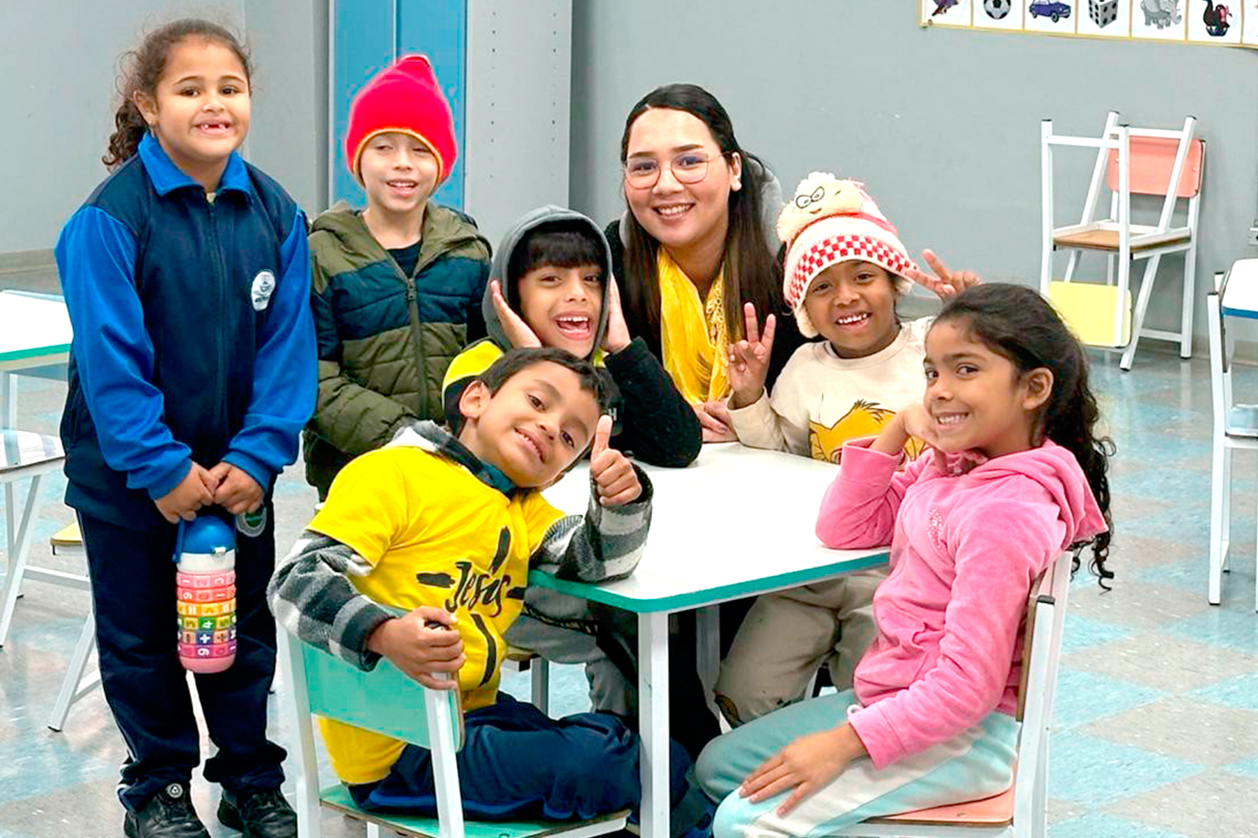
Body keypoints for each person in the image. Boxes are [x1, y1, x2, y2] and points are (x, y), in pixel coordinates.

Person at [697, 284, 1112, 838]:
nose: (940, 391)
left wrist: (841, 745)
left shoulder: (1004, 513)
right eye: (932, 373)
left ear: (1034, 388)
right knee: (718, 768)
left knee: (744, 823)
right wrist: (895, 430)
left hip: (962, 737)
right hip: (895, 702)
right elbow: (844, 528)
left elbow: (968, 688)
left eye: (965, 370)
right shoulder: (955, 468)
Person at [270, 349, 709, 835]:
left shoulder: (519, 507)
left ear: (561, 473)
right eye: (539, 402)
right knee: (615, 763)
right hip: (404, 751)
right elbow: (294, 580)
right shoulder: (392, 473)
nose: (548, 427)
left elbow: (599, 563)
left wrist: (619, 502)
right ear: (476, 398)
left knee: (655, 753)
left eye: (569, 437)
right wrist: (384, 633)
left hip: (474, 719)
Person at [55, 19, 314, 838]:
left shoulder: (276, 211)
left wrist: (259, 452)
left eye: (229, 88)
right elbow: (111, 362)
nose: (214, 104)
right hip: (133, 484)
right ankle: (158, 791)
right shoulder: (108, 220)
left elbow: (289, 350)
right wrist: (161, 468)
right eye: (190, 88)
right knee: (142, 641)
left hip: (237, 481)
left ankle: (249, 778)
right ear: (148, 104)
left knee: (239, 635)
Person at [715, 174, 978, 723]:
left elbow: (987, 410)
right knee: (743, 690)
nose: (848, 297)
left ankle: (852, 782)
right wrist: (748, 397)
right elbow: (778, 454)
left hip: (900, 572)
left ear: (893, 282)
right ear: (806, 308)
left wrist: (972, 327)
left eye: (863, 276)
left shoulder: (933, 347)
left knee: (878, 693)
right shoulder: (806, 369)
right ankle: (779, 784)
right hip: (807, 571)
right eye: (823, 286)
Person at [304, 55, 491, 500]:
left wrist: (462, 432)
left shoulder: (467, 251)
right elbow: (314, 377)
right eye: (383, 147)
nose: (402, 164)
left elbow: (487, 356)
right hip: (356, 475)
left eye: (420, 149)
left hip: (454, 468)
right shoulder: (323, 255)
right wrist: (403, 435)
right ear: (357, 159)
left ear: (441, 164)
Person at [608, 83, 803, 444]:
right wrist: (668, 420)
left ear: (734, 169)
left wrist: (750, 415)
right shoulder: (605, 266)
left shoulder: (796, 267)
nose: (665, 185)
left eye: (689, 162)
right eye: (644, 167)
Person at [444, 205, 701, 468]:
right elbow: (489, 454)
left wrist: (624, 350)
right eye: (552, 279)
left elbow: (679, 448)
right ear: (512, 297)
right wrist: (534, 361)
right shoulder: (478, 364)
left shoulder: (613, 367)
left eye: (592, 278)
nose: (578, 293)